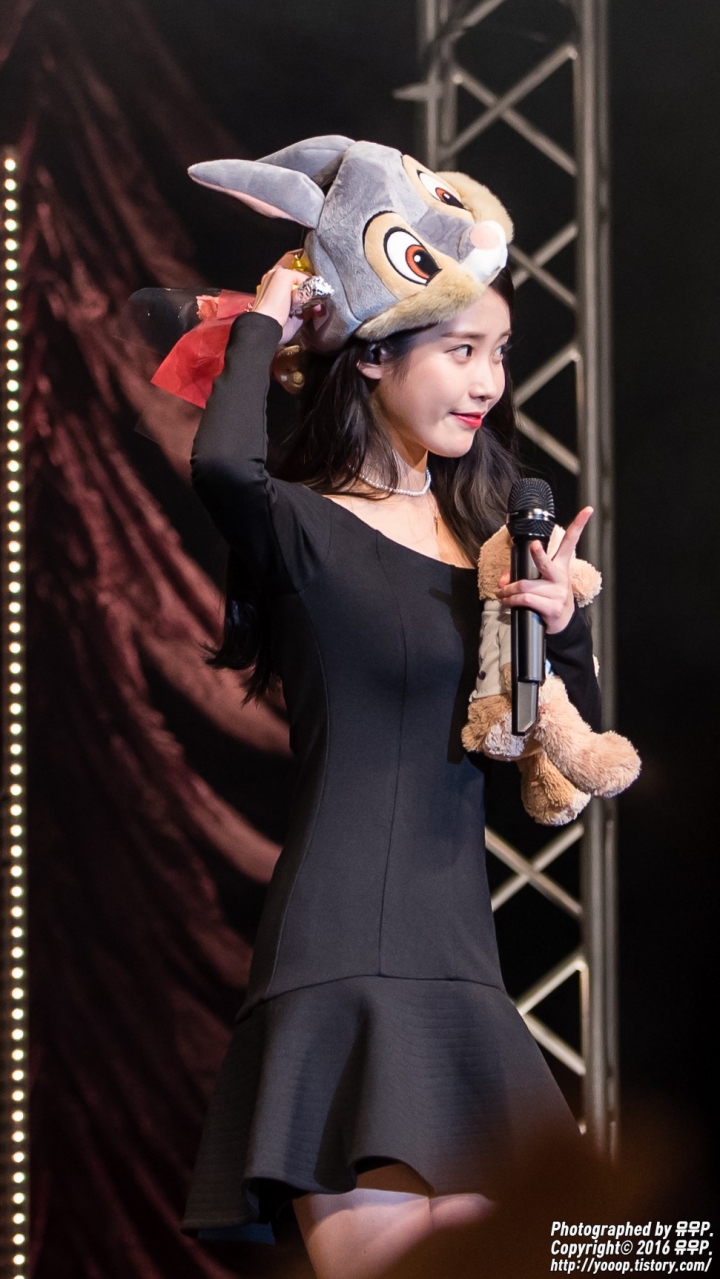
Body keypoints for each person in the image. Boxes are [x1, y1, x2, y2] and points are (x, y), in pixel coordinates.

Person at [179, 239, 600, 1279]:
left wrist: (561, 628)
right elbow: (223, 465)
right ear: (374, 356)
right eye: (461, 350)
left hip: (460, 956)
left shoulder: (495, 547)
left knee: (570, 1253)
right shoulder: (306, 527)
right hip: (342, 950)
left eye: (500, 352)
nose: (488, 382)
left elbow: (552, 762)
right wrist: (267, 320)